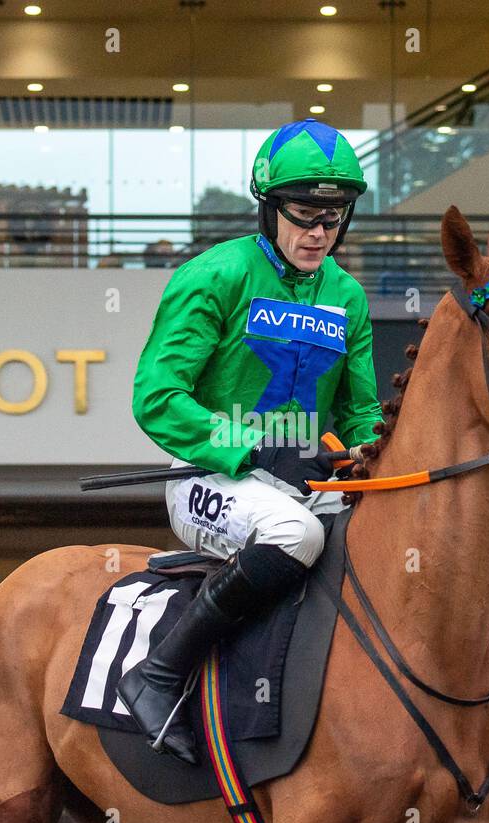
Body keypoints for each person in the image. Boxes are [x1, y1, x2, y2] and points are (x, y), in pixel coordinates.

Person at [118, 118, 383, 764]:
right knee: (298, 536)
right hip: (209, 478)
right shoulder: (214, 275)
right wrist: (254, 448)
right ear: (267, 208)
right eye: (304, 214)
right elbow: (155, 397)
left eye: (335, 216)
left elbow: (363, 413)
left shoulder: (346, 297)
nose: (320, 232)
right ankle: (156, 674)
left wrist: (367, 453)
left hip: (307, 485)